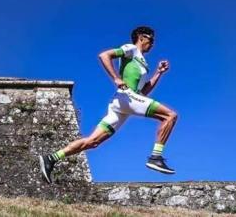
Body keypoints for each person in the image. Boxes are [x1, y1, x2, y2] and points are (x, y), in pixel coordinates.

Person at [39, 26, 178, 184]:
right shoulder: (131, 48)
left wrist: (158, 72)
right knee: (170, 115)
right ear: (141, 37)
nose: (152, 44)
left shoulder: (143, 63)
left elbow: (143, 92)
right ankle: (156, 157)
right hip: (126, 98)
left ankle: (51, 158)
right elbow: (104, 55)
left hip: (125, 104)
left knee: (93, 141)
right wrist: (116, 78)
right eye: (151, 39)